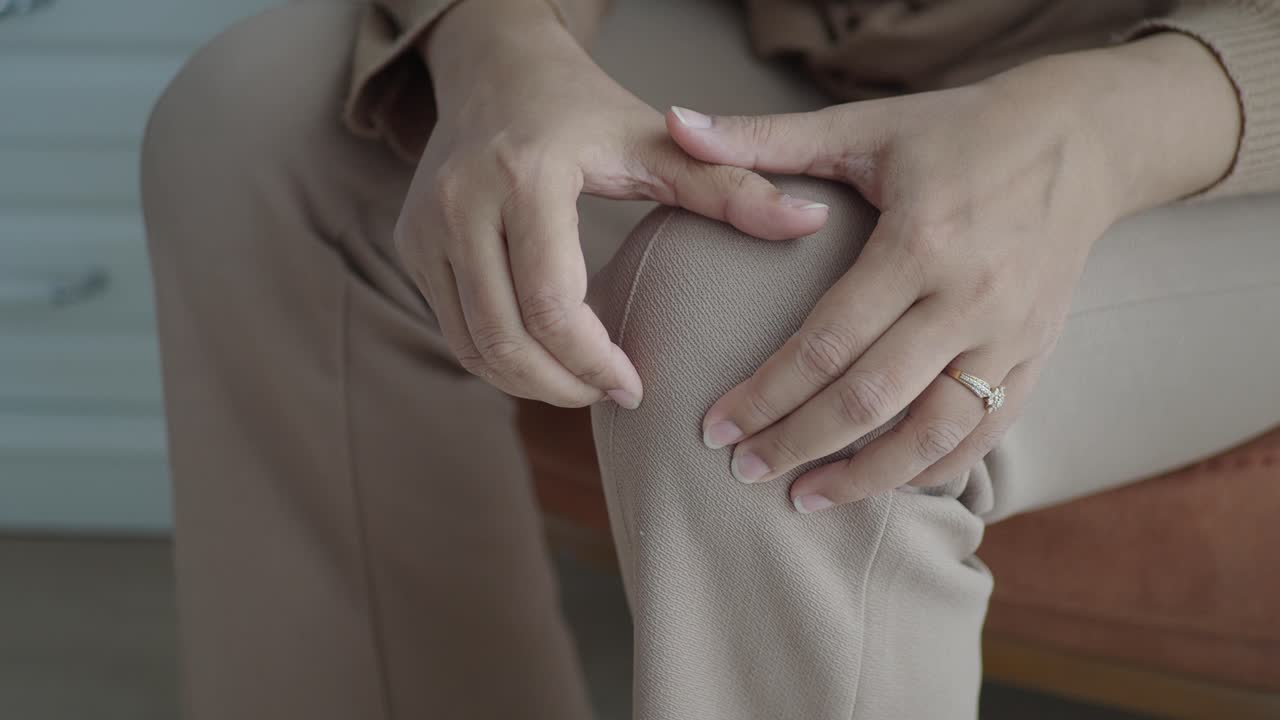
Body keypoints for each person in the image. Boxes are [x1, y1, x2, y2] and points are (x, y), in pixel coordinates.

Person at [140, 0, 1280, 717]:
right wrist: (498, 40)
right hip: (808, 36)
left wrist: (1103, 130)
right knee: (263, 128)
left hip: (1198, 116)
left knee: (761, 328)